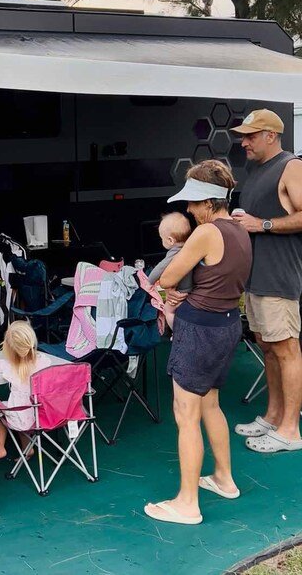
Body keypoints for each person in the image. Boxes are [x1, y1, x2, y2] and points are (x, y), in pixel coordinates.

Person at [144, 160, 252, 525]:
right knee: (210, 406)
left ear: (208, 201)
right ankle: (224, 478)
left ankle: (187, 502)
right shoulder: (240, 230)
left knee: (185, 414)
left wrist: (170, 291)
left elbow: (169, 276)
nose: (188, 210)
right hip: (226, 325)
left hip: (199, 328)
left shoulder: (207, 233)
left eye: (192, 202)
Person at [230, 109, 302, 453]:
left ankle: (290, 430)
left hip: (279, 274)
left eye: (251, 135)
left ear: (271, 136)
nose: (244, 141)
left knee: (286, 350)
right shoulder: (255, 169)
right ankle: (273, 417)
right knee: (268, 348)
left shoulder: (292, 166)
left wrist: (263, 225)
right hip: (256, 276)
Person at [0, 321, 52, 464]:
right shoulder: (44, 361)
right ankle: (27, 448)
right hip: (43, 415)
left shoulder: (9, 367)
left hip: (23, 417)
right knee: (22, 410)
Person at [148, 212, 193, 329]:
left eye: (162, 238)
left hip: (181, 292)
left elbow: (160, 268)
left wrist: (150, 281)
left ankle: (177, 332)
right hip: (192, 290)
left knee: (169, 310)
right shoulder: (192, 247)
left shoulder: (174, 252)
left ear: (170, 240)